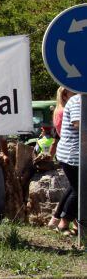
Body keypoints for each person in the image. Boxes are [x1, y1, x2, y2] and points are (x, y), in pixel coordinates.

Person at [54, 94, 80, 235]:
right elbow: (78, 124)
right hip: (73, 154)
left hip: (76, 154)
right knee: (80, 190)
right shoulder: (78, 100)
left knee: (74, 188)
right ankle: (64, 223)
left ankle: (60, 220)